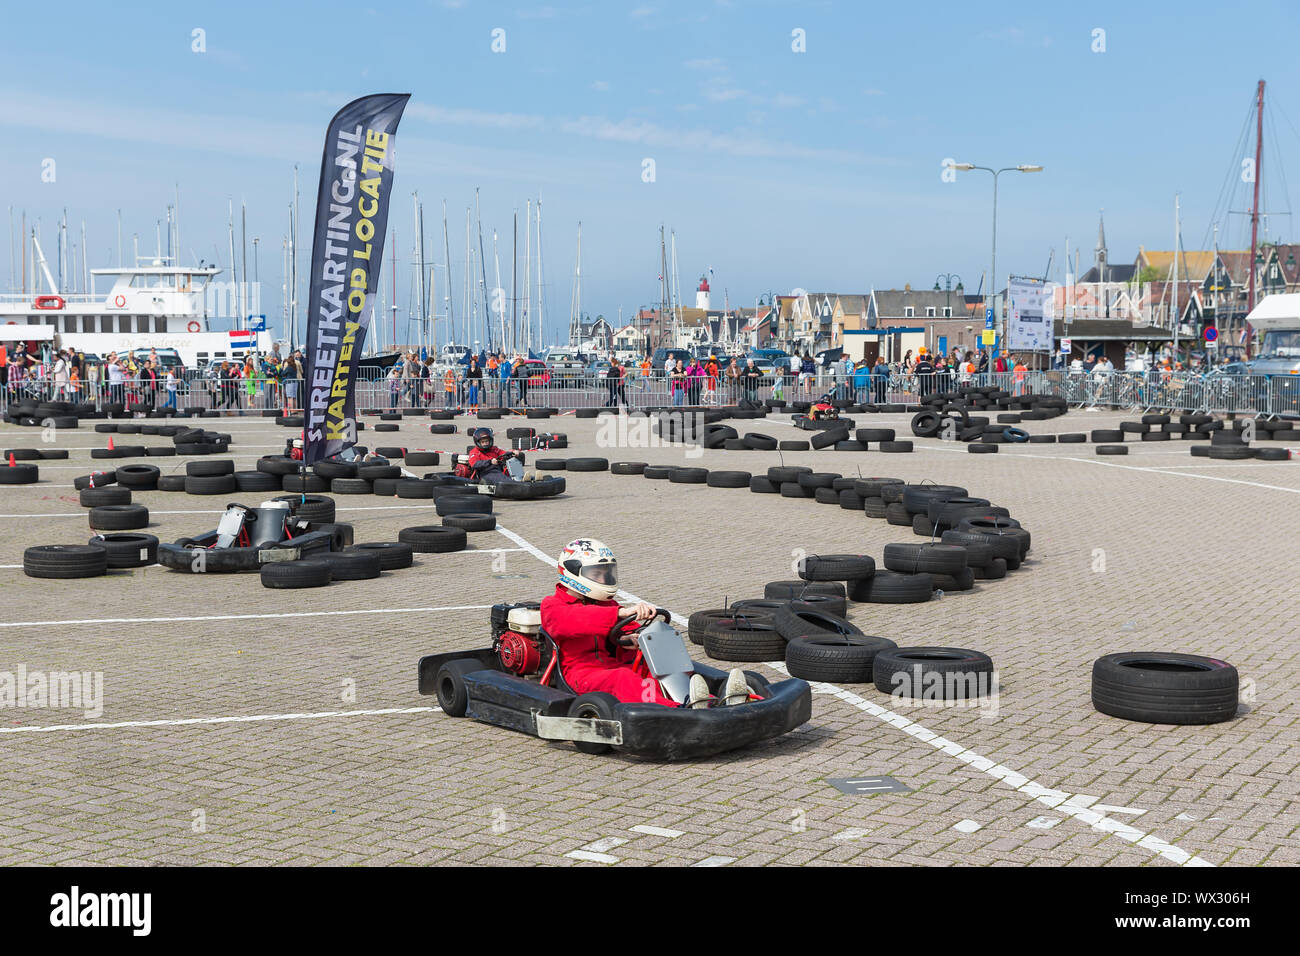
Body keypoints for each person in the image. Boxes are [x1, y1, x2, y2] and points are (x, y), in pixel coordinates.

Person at [539, 538, 751, 708]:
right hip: (580, 674)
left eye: (606, 574)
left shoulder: (607, 604)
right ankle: (675, 710)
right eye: (597, 574)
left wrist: (636, 636)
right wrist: (621, 613)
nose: (604, 580)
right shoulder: (553, 606)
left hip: (612, 665)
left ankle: (712, 702)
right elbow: (574, 621)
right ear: (572, 572)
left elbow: (623, 630)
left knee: (655, 668)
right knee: (622, 678)